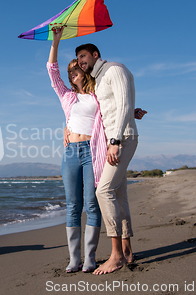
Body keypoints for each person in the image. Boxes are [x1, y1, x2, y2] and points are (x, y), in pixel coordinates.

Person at [76, 42, 140, 275]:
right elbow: (117, 107)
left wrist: (114, 142)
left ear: (95, 55)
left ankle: (115, 256)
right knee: (119, 193)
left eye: (83, 56)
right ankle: (126, 251)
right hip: (115, 139)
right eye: (78, 58)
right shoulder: (100, 78)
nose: (81, 61)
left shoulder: (114, 70)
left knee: (103, 191)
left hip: (120, 139)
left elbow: (123, 105)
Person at [47, 27, 107, 273]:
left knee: (92, 204)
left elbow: (112, 111)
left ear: (84, 71)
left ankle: (90, 257)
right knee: (73, 205)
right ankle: (75, 259)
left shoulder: (97, 95)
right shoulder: (66, 97)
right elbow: (52, 70)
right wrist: (56, 40)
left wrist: (133, 113)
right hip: (71, 152)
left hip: (92, 152)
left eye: (76, 70)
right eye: (69, 71)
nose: (72, 74)